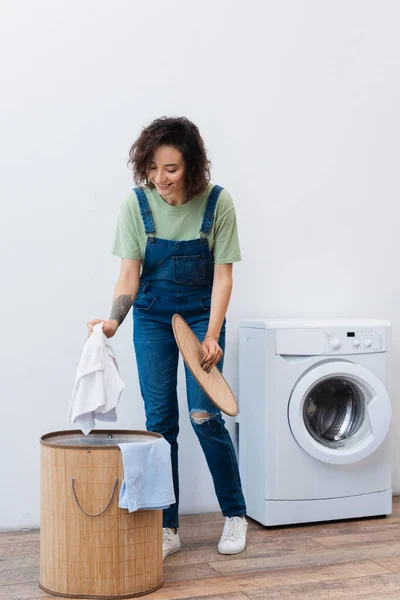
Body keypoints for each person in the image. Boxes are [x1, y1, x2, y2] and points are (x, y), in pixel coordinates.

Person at [87, 116, 247, 559]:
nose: (159, 178)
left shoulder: (219, 204)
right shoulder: (135, 206)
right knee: (159, 425)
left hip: (200, 317)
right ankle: (167, 526)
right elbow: (127, 277)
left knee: (203, 416)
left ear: (192, 167)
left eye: (171, 169)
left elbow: (224, 277)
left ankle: (235, 514)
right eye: (152, 167)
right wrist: (114, 322)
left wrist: (212, 335)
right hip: (153, 318)